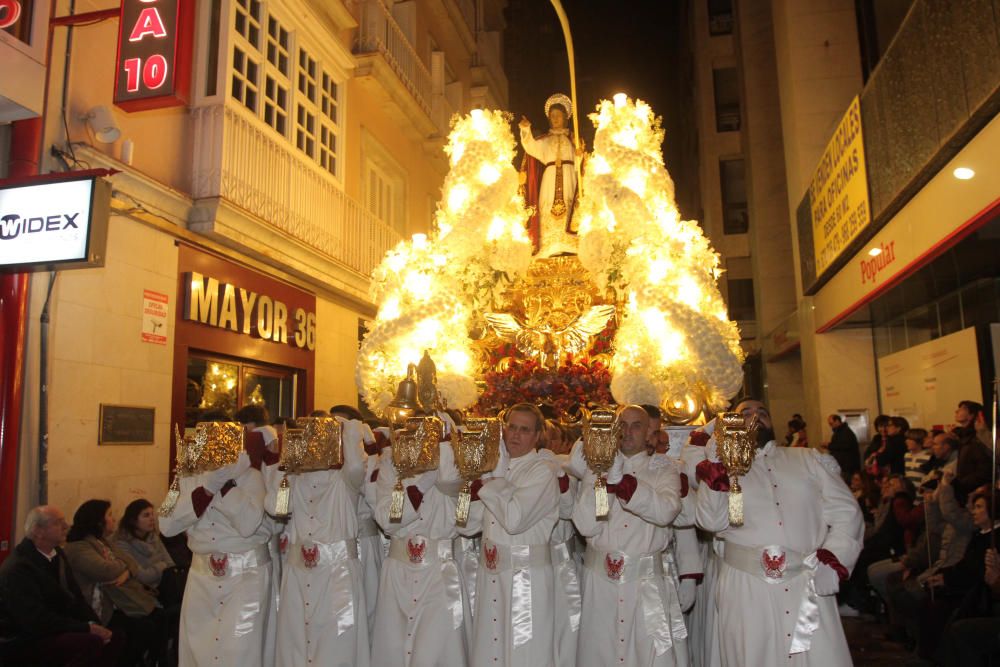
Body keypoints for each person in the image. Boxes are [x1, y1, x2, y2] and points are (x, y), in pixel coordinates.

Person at [695, 398, 864, 666]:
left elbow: (848, 512)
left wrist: (834, 559)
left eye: (763, 412)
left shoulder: (808, 458)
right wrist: (717, 466)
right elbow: (710, 521)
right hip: (745, 586)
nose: (756, 416)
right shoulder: (721, 468)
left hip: (806, 580)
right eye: (745, 413)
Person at [571, 405, 688, 666]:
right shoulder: (595, 468)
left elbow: (666, 511)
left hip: (645, 582)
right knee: (599, 652)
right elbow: (586, 526)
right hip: (600, 583)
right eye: (621, 424)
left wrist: (624, 483)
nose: (627, 431)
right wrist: (605, 483)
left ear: (649, 433)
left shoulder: (664, 468)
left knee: (649, 653)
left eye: (636, 425)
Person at [158, 420, 272, 667]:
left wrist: (225, 486)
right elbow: (165, 524)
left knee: (240, 649)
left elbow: (248, 523)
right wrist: (207, 488)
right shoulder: (183, 479)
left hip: (245, 576)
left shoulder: (251, 477)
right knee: (199, 649)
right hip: (201, 577)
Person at [267, 416, 371, 667]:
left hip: (337, 577)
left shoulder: (344, 480)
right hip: (298, 575)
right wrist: (286, 464)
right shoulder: (294, 479)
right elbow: (275, 507)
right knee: (295, 643)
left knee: (338, 644)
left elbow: (357, 466)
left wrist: (350, 431)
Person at [461, 403, 559, 667]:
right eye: (511, 427)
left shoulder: (542, 471)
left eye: (524, 430)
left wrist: (493, 480)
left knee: (524, 652)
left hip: (525, 579)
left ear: (538, 435)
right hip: (491, 574)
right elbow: (465, 525)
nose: (515, 435)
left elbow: (514, 520)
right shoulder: (495, 467)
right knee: (487, 650)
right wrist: (469, 482)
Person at [371, 419, 470, 667]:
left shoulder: (457, 466)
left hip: (439, 571)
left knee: (438, 650)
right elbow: (387, 519)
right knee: (393, 648)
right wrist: (418, 488)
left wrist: (447, 460)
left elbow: (465, 518)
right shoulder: (391, 465)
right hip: (398, 573)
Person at [0, 506, 121, 667]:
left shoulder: (57, 554)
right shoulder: (18, 567)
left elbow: (75, 597)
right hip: (26, 637)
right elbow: (35, 619)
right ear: (38, 531)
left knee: (115, 636)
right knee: (90, 643)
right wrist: (86, 628)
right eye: (58, 523)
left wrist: (94, 623)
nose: (66, 526)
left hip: (56, 627)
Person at [63, 499, 167, 666]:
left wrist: (126, 571)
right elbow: (107, 570)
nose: (114, 519)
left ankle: (154, 661)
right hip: (99, 608)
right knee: (143, 627)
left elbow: (131, 563)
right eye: (110, 515)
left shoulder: (103, 541)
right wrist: (127, 568)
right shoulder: (78, 548)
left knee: (159, 617)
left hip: (120, 597)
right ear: (98, 521)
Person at [518, 93, 583, 257]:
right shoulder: (545, 141)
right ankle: (550, 244)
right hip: (550, 177)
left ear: (565, 118)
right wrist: (525, 129)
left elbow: (580, 164)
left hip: (569, 176)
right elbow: (530, 146)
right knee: (547, 206)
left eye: (558, 116)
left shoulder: (572, 139)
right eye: (552, 116)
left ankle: (569, 243)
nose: (555, 119)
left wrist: (579, 152)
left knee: (569, 205)